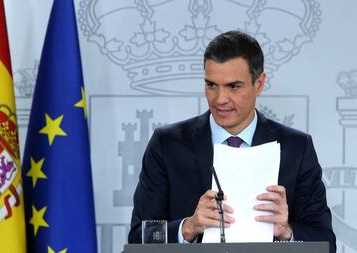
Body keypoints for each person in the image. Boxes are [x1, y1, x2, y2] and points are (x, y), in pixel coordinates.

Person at [128, 30, 336, 252]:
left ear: (259, 83)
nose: (219, 99)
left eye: (233, 86)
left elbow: (326, 243)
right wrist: (188, 227)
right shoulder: (168, 145)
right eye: (211, 85)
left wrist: (287, 232)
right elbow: (138, 237)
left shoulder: (296, 148)